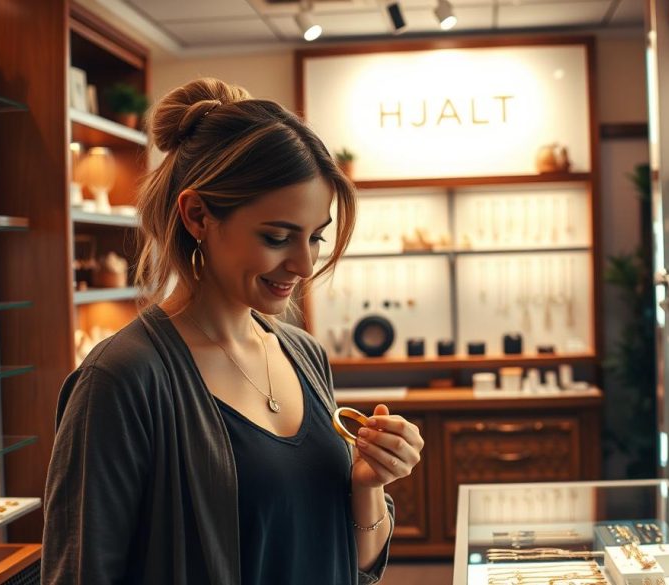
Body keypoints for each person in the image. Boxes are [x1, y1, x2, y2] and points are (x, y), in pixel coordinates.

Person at [42, 77, 423, 584]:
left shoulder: (304, 354)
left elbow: (356, 564)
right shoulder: (122, 379)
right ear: (197, 215)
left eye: (315, 238)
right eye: (277, 237)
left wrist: (367, 484)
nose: (304, 265)